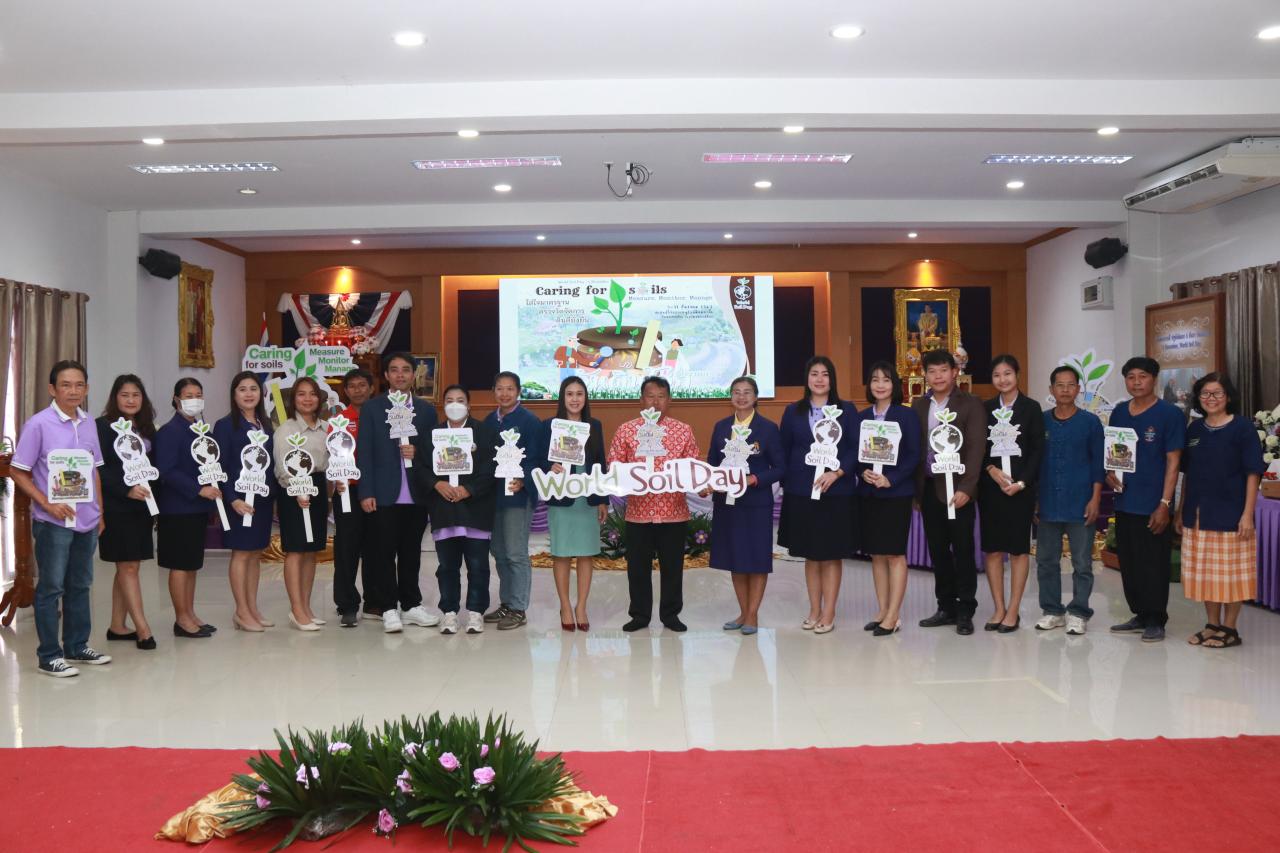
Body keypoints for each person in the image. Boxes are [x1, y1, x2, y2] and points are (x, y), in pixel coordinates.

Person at [10, 360, 109, 677]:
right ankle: (49, 656)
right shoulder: (38, 424)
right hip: (53, 522)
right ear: (52, 389)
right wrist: (46, 503)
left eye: (79, 385)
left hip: (86, 520)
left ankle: (77, 646)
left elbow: (94, 470)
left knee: (80, 585)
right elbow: (18, 470)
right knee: (51, 588)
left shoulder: (89, 423)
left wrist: (100, 511)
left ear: (87, 389)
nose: (73, 391)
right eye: (66, 385)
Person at [1177, 373, 1265, 649]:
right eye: (1205, 394)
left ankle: (1230, 629)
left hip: (1231, 513)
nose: (1210, 399)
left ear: (1228, 396)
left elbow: (1253, 473)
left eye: (1217, 393)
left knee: (1231, 575)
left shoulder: (1243, 428)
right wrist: (1180, 510)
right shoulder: (1194, 429)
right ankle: (1212, 624)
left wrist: (1247, 514)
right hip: (1198, 513)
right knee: (1206, 573)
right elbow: (1187, 473)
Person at [608, 375, 701, 632]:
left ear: (669, 400)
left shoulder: (683, 430)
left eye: (661, 397)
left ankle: (671, 615)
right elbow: (614, 465)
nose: (656, 402)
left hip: (674, 512)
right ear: (641, 399)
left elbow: (693, 466)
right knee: (638, 568)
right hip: (638, 513)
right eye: (651, 396)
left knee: (673, 568)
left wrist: (702, 483)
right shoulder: (627, 430)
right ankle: (640, 615)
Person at [357, 352, 439, 633]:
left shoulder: (426, 411)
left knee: (411, 553)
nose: (400, 375)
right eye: (394, 370)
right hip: (383, 494)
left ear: (414, 374)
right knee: (382, 553)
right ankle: (388, 608)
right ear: (386, 375)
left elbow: (435, 452)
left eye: (406, 369)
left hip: (416, 494)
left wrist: (418, 452)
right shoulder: (372, 408)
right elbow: (364, 452)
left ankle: (411, 604)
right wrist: (366, 491)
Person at [1107, 356, 1185, 643]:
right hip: (1124, 500)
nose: (1136, 382)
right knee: (1129, 562)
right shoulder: (1119, 412)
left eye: (1143, 376)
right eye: (1131, 377)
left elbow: (1173, 462)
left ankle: (1156, 619)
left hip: (1154, 503)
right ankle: (1139, 613)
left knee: (1154, 563)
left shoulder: (1170, 414)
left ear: (1154, 379)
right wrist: (1110, 473)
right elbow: (1114, 453)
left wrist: (1165, 504)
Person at [778, 356, 858, 634]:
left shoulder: (846, 410)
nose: (820, 379)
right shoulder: (793, 411)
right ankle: (814, 609)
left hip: (836, 492)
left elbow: (854, 449)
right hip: (802, 491)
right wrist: (788, 483)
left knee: (831, 555)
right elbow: (785, 449)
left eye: (825, 374)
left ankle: (829, 611)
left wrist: (837, 472)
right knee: (811, 555)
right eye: (814, 374)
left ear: (832, 379)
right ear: (807, 379)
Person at [911, 350, 986, 635]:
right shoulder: (919, 405)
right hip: (930, 489)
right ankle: (945, 607)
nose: (938, 376)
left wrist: (968, 487)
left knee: (963, 550)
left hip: (958, 490)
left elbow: (977, 448)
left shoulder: (970, 403)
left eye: (943, 370)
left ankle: (965, 609)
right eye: (932, 371)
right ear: (925, 375)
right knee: (938, 551)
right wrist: (916, 492)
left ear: (954, 372)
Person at [707, 376, 784, 635]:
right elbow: (712, 464)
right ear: (730, 397)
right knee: (736, 558)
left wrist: (756, 479)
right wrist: (708, 482)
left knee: (757, 559)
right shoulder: (721, 427)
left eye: (747, 392)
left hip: (756, 503)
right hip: (727, 504)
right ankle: (743, 612)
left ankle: (753, 615)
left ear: (756, 397)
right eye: (736, 392)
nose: (741, 397)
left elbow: (780, 468)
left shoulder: (768, 428)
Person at [420, 385, 496, 635]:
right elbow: (421, 467)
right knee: (447, 566)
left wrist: (469, 489)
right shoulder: (432, 435)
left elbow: (490, 469)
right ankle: (449, 613)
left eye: (460, 400)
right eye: (450, 400)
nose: (455, 404)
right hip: (444, 510)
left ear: (469, 405)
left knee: (478, 566)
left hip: (476, 510)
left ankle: (476, 612)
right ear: (443, 405)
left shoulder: (484, 432)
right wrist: (437, 484)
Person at [1035, 366, 1104, 635]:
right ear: (1051, 389)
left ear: (1078, 389)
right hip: (1047, 502)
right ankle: (1052, 610)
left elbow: (1098, 464)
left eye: (1070, 384)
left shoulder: (1090, 422)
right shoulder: (1041, 421)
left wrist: (1095, 498)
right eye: (1059, 385)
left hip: (1080, 502)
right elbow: (1032, 464)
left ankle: (1078, 612)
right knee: (1046, 561)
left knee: (1082, 563)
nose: (1065, 389)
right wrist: (1034, 500)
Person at [978, 354, 1044, 633]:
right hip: (991, 490)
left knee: (1018, 550)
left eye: (1007, 373)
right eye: (997, 375)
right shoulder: (986, 408)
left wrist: (1023, 483)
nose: (1002, 379)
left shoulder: (1031, 408)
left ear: (1017, 375)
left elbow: (1037, 451)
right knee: (993, 550)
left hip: (1020, 491)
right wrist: (990, 469)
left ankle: (1014, 610)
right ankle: (998, 607)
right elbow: (977, 448)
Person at [855, 362, 921, 636]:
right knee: (877, 554)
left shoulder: (906, 416)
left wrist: (890, 479)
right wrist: (863, 472)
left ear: (895, 385)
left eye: (886, 379)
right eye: (875, 379)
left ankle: (893, 616)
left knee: (894, 554)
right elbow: (855, 455)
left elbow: (914, 455)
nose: (880, 385)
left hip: (896, 494)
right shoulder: (861, 417)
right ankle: (882, 611)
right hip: (869, 493)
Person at [539, 376, 608, 632]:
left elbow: (600, 463)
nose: (575, 399)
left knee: (586, 553)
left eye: (579, 394)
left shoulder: (594, 425)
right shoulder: (550, 426)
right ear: (562, 398)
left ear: (585, 398)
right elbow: (537, 458)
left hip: (587, 498)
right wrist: (550, 466)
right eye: (570, 394)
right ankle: (566, 606)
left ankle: (582, 607)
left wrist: (602, 499)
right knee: (562, 553)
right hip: (561, 497)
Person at [154, 377, 219, 639]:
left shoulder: (201, 430)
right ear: (176, 399)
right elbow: (166, 470)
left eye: (198, 394)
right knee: (180, 565)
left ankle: (190, 613)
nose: (195, 400)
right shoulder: (170, 431)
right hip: (177, 508)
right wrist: (198, 489)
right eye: (188, 395)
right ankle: (181, 619)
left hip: (197, 509)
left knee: (192, 564)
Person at [97, 374, 158, 650]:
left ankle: (117, 626)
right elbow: (98, 468)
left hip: (142, 506)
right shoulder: (102, 427)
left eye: (136, 395)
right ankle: (143, 629)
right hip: (116, 505)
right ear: (115, 397)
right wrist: (126, 489)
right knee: (128, 565)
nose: (131, 400)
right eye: (125, 395)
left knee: (128, 566)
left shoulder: (146, 428)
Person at [213, 371, 275, 632]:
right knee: (241, 553)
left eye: (253, 388)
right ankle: (241, 611)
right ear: (234, 394)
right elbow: (220, 466)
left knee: (255, 553)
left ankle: (252, 608)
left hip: (262, 500)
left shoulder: (266, 424)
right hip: (239, 501)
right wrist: (232, 499)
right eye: (242, 389)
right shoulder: (225, 425)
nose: (249, 394)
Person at [483, 371, 543, 631]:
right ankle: (506, 603)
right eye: (500, 388)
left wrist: (524, 479)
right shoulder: (489, 421)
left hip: (518, 496)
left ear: (518, 392)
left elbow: (538, 459)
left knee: (515, 553)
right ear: (494, 391)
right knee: (498, 551)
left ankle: (519, 608)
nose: (504, 393)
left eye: (510, 388)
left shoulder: (529, 421)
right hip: (493, 496)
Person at [273, 376, 332, 631]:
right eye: (301, 394)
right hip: (293, 490)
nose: (307, 399)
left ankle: (305, 607)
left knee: (311, 550)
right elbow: (281, 466)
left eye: (312, 394)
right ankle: (296, 610)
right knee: (296, 549)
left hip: (317, 486)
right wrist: (296, 489)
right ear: (293, 399)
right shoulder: (286, 429)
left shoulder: (327, 428)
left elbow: (332, 460)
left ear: (319, 399)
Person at [332, 368, 373, 627]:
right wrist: (336, 478)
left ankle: (374, 601)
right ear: (345, 391)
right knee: (346, 549)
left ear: (371, 388)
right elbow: (331, 454)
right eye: (352, 386)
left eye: (362, 385)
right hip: (347, 491)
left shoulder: (379, 415)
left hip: (375, 491)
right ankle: (347, 604)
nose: (358, 390)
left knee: (375, 548)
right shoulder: (339, 420)